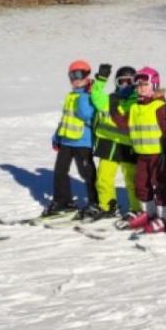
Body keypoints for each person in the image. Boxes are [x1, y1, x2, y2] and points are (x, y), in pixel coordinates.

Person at [109, 67, 166, 232]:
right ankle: (149, 214)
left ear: (154, 85)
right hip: (141, 154)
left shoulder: (160, 106)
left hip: (158, 154)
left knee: (160, 184)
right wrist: (113, 109)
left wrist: (165, 154)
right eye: (138, 85)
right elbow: (124, 124)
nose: (140, 88)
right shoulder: (135, 107)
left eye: (144, 84)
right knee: (141, 184)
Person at [46, 60, 98, 216]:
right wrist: (57, 136)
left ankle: (95, 202)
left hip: (83, 141)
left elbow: (86, 115)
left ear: (87, 76)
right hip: (66, 141)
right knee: (60, 171)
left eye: (79, 75)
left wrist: (85, 95)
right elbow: (65, 118)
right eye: (72, 75)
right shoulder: (71, 95)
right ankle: (63, 201)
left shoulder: (90, 95)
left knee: (87, 173)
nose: (75, 79)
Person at [88, 64, 139, 219]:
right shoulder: (109, 99)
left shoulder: (135, 102)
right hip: (108, 145)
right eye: (121, 82)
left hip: (127, 147)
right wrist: (101, 79)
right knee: (103, 178)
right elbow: (95, 95)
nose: (125, 85)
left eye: (129, 82)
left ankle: (137, 208)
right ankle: (108, 206)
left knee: (131, 180)